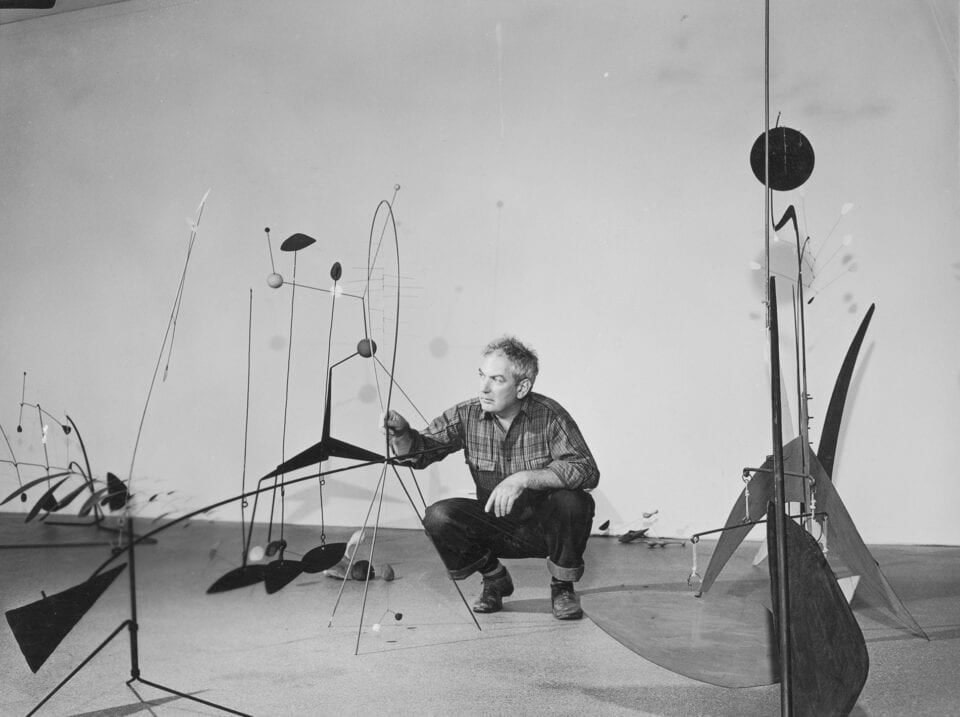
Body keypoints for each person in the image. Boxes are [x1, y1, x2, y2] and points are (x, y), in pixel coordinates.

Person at [382, 336, 599, 620]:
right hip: (495, 524)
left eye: (496, 379)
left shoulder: (549, 416)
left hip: (543, 530)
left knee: (574, 502)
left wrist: (524, 478)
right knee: (438, 516)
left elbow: (586, 469)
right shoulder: (467, 414)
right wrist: (401, 434)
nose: (484, 388)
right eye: (482, 376)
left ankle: (562, 586)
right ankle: (494, 577)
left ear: (522, 387)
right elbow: (420, 454)